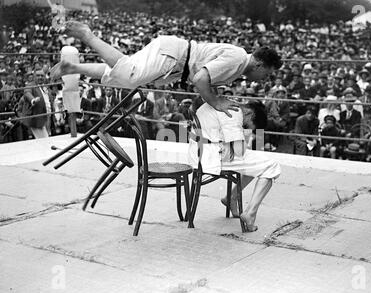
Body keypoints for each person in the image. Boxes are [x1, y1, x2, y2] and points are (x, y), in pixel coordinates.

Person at [50, 21, 281, 117]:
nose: (264, 79)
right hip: (174, 57)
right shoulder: (238, 58)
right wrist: (216, 102)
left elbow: (203, 79)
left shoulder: (239, 64)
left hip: (174, 62)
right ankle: (87, 35)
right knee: (130, 76)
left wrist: (213, 98)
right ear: (260, 64)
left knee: (119, 76)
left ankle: (73, 66)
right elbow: (201, 78)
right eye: (267, 74)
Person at [188, 100, 281, 232]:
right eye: (248, 125)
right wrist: (243, 136)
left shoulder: (226, 104)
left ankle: (231, 197)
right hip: (212, 156)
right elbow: (240, 150)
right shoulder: (234, 112)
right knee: (271, 166)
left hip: (201, 151)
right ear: (249, 114)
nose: (245, 127)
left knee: (256, 164)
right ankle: (250, 213)